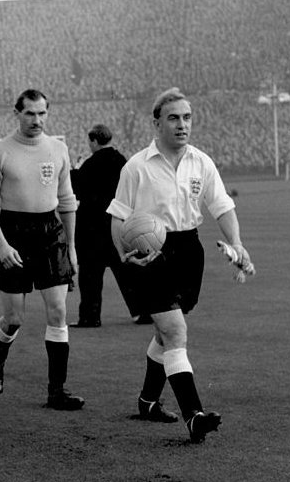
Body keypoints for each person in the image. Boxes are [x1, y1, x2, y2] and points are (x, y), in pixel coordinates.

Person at [106, 87, 254, 443]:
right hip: (150, 255)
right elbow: (118, 217)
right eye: (173, 118)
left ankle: (147, 401)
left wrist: (237, 243)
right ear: (157, 123)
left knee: (164, 332)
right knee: (175, 332)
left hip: (188, 251)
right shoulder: (137, 167)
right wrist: (126, 253)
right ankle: (194, 416)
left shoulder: (201, 162)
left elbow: (222, 207)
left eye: (187, 117)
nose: (182, 124)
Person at [0, 89, 83, 410]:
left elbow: (66, 202)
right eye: (30, 114)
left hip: (50, 234)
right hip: (12, 233)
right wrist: (2, 244)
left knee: (59, 311)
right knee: (14, 318)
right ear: (17, 113)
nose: (36, 120)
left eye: (42, 114)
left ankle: (56, 391)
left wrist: (72, 248)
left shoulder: (58, 149)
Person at [70, 124, 141, 327]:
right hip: (118, 226)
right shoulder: (122, 161)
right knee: (127, 272)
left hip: (93, 229)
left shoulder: (90, 164)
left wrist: (76, 169)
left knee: (90, 276)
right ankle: (142, 312)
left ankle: (90, 317)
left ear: (93, 141)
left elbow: (77, 189)